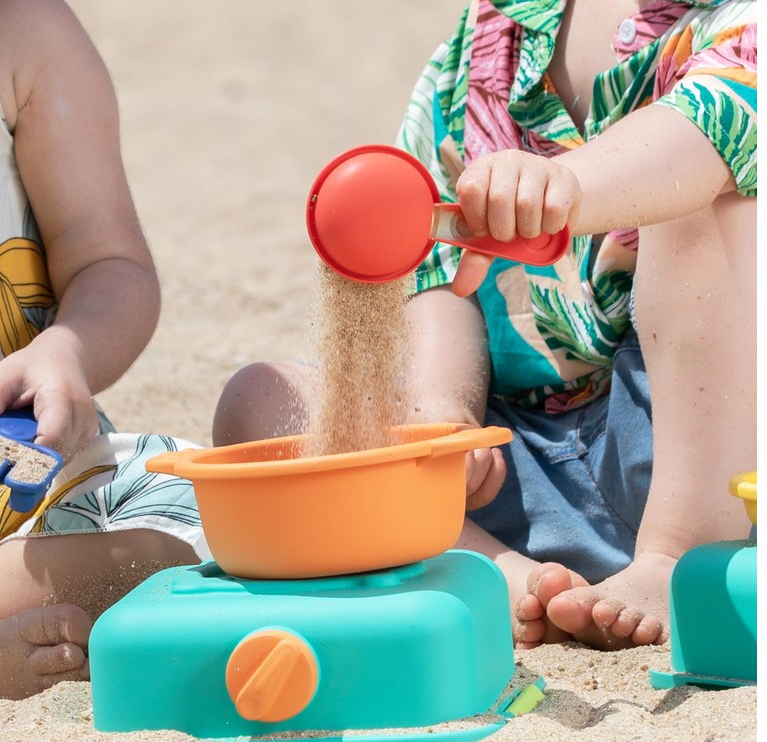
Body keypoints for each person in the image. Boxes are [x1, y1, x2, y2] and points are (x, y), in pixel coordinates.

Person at [213, 0, 756, 650]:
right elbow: (444, 266)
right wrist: (441, 414)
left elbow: (716, 129)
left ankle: (676, 557)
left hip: (700, 443)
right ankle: (487, 569)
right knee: (261, 402)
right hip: (520, 469)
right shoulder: (494, 31)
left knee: (707, 195)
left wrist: (563, 184)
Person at [0, 0, 212, 699]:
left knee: (200, 528)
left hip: (10, 464)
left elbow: (107, 261)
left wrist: (65, 352)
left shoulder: (17, 31)